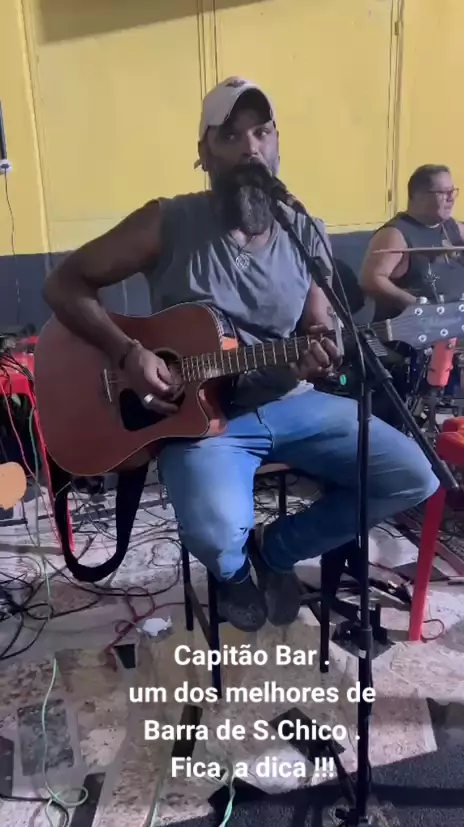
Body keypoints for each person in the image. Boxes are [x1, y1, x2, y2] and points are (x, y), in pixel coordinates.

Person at [43, 77, 439, 632]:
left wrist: (319, 352)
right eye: (230, 136)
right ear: (204, 154)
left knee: (414, 476)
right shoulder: (168, 222)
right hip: (203, 420)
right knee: (213, 530)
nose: (251, 147)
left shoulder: (305, 230)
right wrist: (127, 352)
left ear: (276, 144)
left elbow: (317, 323)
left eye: (262, 132)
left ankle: (275, 550)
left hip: (292, 399)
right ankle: (231, 573)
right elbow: (64, 284)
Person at [360, 164, 464, 320]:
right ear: (418, 195)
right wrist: (416, 306)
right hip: (416, 328)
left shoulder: (452, 226)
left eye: (452, 191)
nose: (451, 198)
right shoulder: (395, 234)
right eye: (444, 192)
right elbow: (370, 279)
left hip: (456, 322)